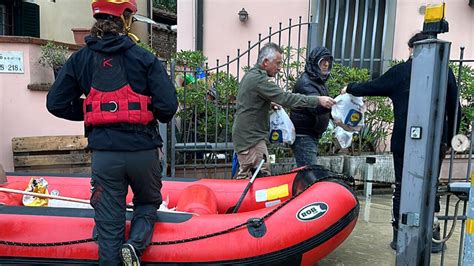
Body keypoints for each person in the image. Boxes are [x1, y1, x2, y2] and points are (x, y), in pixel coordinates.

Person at [46, 0, 178, 265]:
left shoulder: (79, 59)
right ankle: (134, 245)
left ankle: (116, 251)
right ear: (126, 20)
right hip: (143, 151)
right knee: (148, 203)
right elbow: (168, 107)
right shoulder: (145, 58)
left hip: (106, 156)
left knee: (108, 227)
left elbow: (55, 103)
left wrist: (95, 112)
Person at [341, 31, 461, 252]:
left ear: (412, 49)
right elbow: (455, 108)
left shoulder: (401, 72)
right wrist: (451, 138)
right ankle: (431, 233)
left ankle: (400, 235)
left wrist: (349, 87)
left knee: (402, 185)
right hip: (437, 142)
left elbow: (372, 86)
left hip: (405, 141)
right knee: (430, 182)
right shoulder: (445, 72)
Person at [232, 42, 336, 179]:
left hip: (251, 137)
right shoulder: (260, 80)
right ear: (265, 62)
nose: (280, 68)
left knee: (260, 174)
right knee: (255, 176)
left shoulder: (252, 76)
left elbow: (250, 102)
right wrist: (317, 100)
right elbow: (286, 98)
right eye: (278, 63)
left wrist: (268, 104)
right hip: (251, 139)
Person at [290, 47, 334, 167]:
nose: (326, 64)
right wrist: (335, 106)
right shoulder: (306, 83)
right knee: (309, 173)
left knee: (306, 171)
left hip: (310, 134)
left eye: (328, 61)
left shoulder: (318, 81)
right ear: (315, 63)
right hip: (304, 135)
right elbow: (315, 106)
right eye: (323, 60)